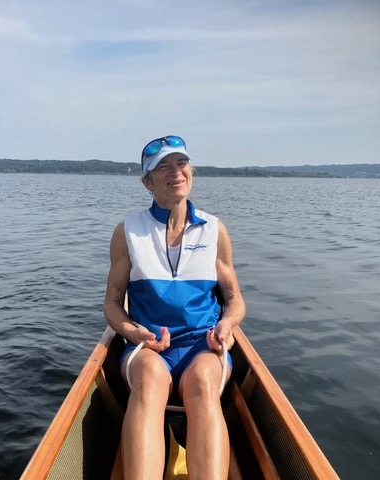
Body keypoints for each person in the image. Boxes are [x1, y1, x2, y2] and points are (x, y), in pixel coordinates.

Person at [103, 135, 246, 480]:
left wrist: (227, 325)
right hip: (149, 345)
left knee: (203, 382)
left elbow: (234, 299)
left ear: (190, 171)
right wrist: (134, 333)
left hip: (203, 344)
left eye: (181, 163)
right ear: (147, 182)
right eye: (163, 167)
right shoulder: (128, 232)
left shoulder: (214, 230)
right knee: (150, 380)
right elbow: (112, 304)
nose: (175, 172)